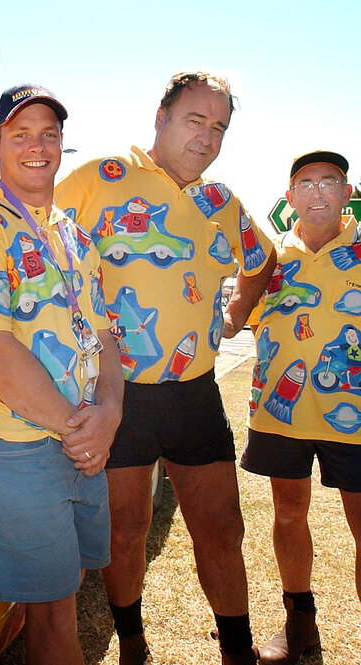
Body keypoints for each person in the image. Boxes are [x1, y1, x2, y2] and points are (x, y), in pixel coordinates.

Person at [55, 71, 277, 665]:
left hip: (195, 396)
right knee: (124, 532)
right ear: (160, 116)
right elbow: (33, 247)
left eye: (220, 127)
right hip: (117, 396)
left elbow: (264, 259)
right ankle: (132, 643)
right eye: (195, 120)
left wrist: (236, 312)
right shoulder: (97, 178)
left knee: (223, 529)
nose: (207, 137)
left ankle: (237, 651)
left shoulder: (220, 201)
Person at [0, 84, 123, 665]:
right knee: (47, 615)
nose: (37, 145)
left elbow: (104, 335)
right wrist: (82, 430)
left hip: (82, 439)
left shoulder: (71, 232)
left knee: (65, 598)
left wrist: (111, 414)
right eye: (20, 134)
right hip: (18, 447)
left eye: (49, 133)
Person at [242, 151, 361, 665]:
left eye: (329, 181)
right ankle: (300, 626)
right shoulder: (273, 259)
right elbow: (253, 321)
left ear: (347, 193)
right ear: (290, 196)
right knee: (288, 515)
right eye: (306, 182)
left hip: (355, 417)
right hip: (280, 413)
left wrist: (355, 372)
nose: (317, 191)